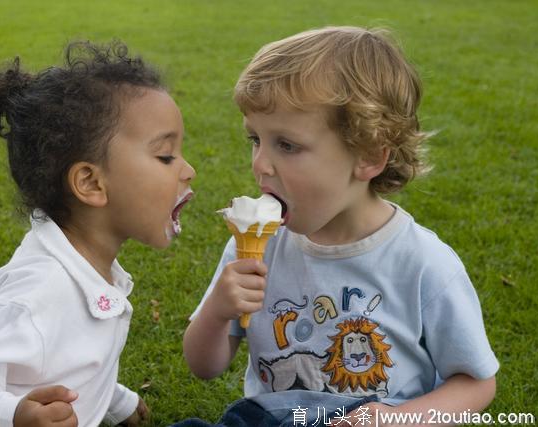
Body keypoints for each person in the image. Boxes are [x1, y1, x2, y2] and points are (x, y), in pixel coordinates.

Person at [179, 26, 498, 426]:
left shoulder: (423, 264)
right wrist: (216, 312)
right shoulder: (262, 247)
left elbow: (476, 383)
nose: (260, 163)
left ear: (367, 157)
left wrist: (397, 420)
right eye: (255, 139)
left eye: (287, 145)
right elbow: (204, 366)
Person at [0, 41, 195, 427]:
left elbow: (71, 354)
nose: (187, 169)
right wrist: (14, 415)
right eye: (165, 156)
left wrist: (114, 400)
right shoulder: (40, 292)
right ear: (90, 183)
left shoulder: (88, 270)